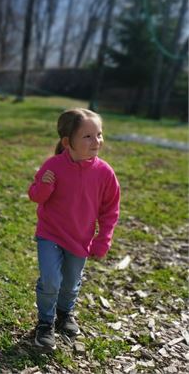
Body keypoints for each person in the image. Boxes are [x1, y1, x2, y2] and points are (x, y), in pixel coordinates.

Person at [28, 108, 120, 351]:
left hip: (80, 239)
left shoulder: (104, 173)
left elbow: (110, 209)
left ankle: (64, 314)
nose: (96, 141)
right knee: (50, 280)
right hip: (51, 234)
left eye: (99, 134)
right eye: (88, 136)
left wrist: (103, 239)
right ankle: (45, 323)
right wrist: (45, 187)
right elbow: (35, 195)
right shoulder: (53, 166)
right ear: (67, 142)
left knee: (70, 283)